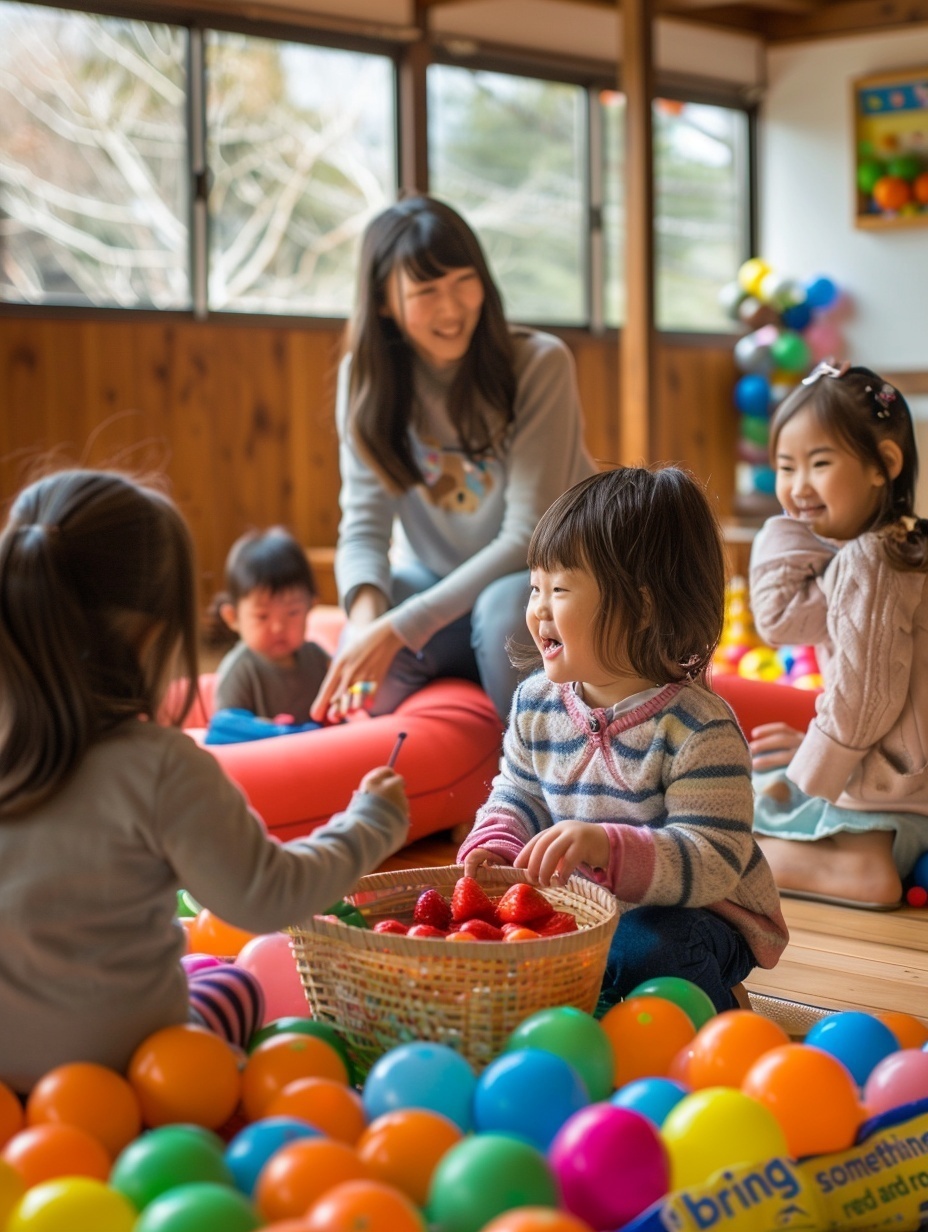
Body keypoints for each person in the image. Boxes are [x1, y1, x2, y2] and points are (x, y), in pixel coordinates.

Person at [0, 470, 408, 1093]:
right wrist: (369, 824)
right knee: (231, 982)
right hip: (133, 1068)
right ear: (150, 634)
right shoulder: (162, 766)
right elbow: (266, 896)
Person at [458, 466, 788, 1012]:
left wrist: (604, 845)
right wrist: (498, 842)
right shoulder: (536, 703)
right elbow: (518, 794)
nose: (537, 606)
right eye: (535, 585)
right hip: (595, 912)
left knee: (643, 948)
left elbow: (712, 860)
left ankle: (720, 1010)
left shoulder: (698, 729)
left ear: (641, 608)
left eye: (559, 589)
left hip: (703, 918)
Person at [310, 194, 596, 726]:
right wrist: (368, 626)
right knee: (381, 603)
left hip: (544, 584)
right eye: (425, 291)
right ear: (382, 302)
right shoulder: (366, 380)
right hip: (442, 596)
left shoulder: (539, 363)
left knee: (512, 608)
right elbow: (365, 530)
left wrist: (398, 629)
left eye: (464, 281)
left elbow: (527, 538)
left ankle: (538, 774)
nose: (452, 308)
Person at [748, 361, 928, 908]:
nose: (798, 486)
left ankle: (855, 867)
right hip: (908, 781)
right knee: (768, 777)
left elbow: (867, 699)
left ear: (884, 466)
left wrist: (812, 772)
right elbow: (784, 617)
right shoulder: (892, 546)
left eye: (819, 463)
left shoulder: (870, 558)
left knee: (744, 818)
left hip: (897, 792)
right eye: (785, 467)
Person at [213, 526, 330, 723]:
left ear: (311, 607)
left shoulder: (318, 658)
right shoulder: (240, 671)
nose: (278, 627)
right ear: (233, 617)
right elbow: (227, 731)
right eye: (262, 616)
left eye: (292, 613)